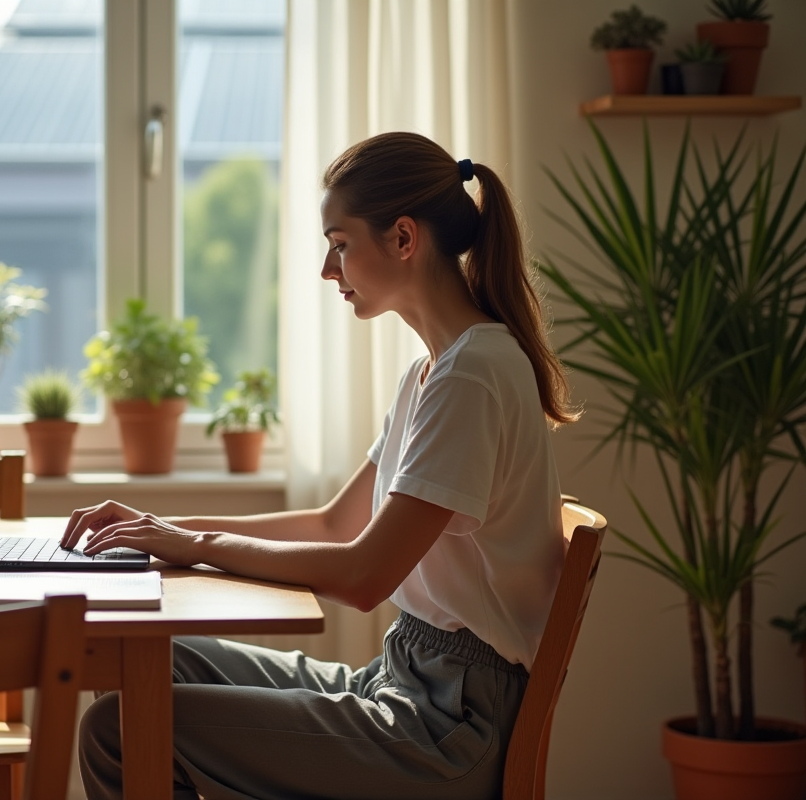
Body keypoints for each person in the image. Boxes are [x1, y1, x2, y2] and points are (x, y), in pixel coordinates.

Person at [60, 131, 580, 800]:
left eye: (339, 244)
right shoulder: (432, 372)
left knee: (118, 729)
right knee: (144, 664)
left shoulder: (472, 376)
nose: (328, 270)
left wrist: (198, 545)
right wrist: (163, 529)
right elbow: (336, 525)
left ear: (403, 238)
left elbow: (364, 575)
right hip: (403, 680)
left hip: (448, 728)